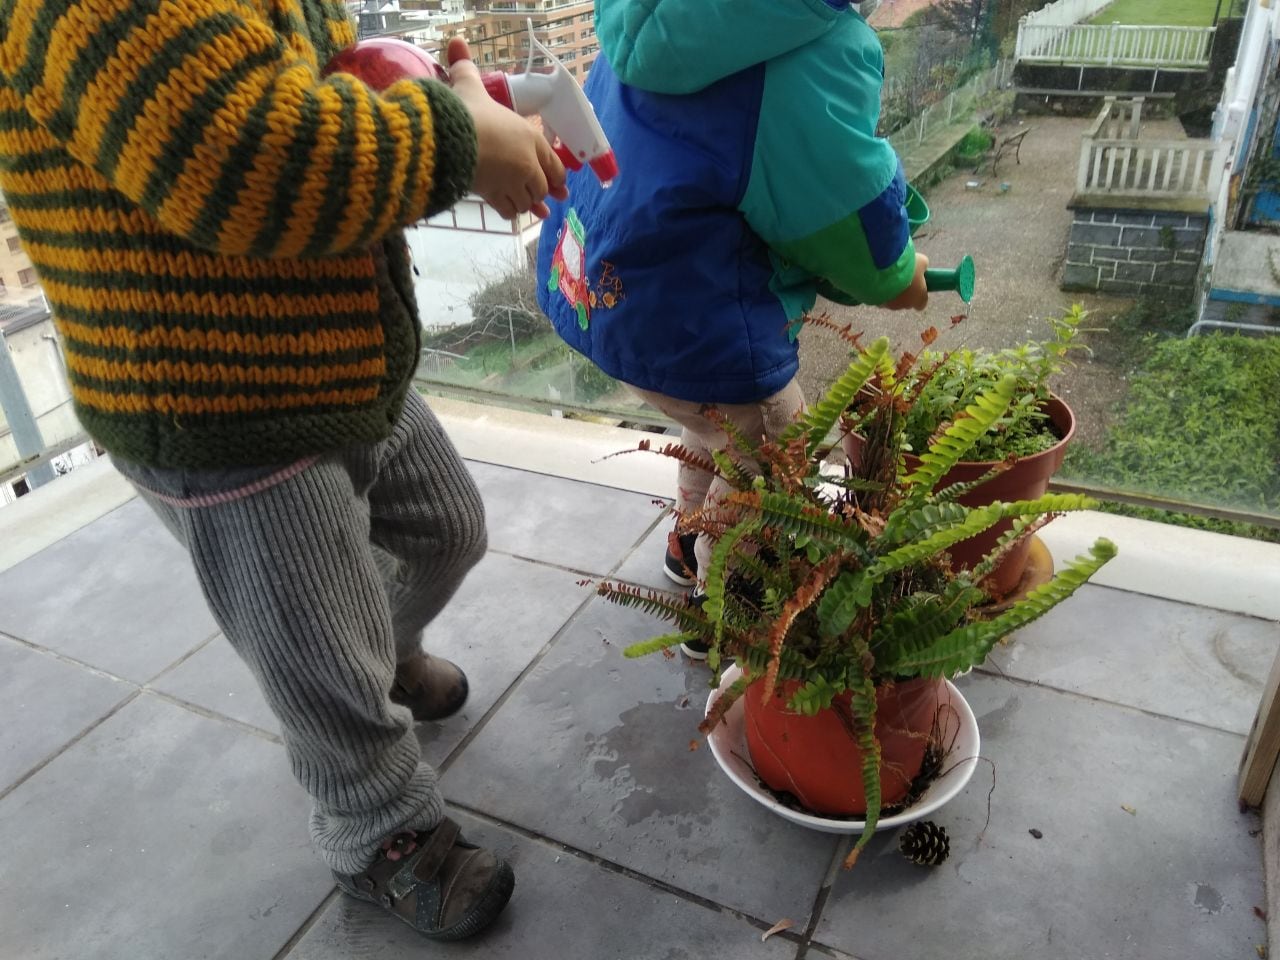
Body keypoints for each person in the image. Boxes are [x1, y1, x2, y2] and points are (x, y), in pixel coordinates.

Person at [0, 0, 565, 941]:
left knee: (444, 528)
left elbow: (302, 83)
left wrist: (422, 89)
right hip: (216, 400)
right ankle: (378, 830)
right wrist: (456, 136)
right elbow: (246, 152)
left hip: (338, 358)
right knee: (314, 645)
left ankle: (372, 661)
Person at [536, 0, 928, 658]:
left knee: (714, 425)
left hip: (601, 289)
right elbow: (841, 209)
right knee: (778, 440)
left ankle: (687, 549)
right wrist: (897, 275)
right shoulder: (808, 43)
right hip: (697, 318)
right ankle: (732, 614)